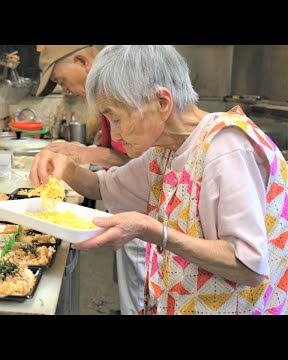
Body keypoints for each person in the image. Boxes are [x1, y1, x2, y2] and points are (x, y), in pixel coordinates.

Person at [30, 45, 288, 315]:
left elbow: (248, 266)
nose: (115, 136)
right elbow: (100, 186)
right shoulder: (164, 151)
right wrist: (66, 167)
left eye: (116, 118)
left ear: (162, 102)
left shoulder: (226, 148)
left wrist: (155, 232)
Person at [37, 45, 146, 315]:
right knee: (133, 293)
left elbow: (145, 161)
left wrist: (85, 152)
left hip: (145, 212)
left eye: (62, 80)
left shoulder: (124, 86)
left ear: (82, 61)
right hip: (127, 204)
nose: (66, 90)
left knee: (141, 294)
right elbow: (105, 180)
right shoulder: (108, 93)